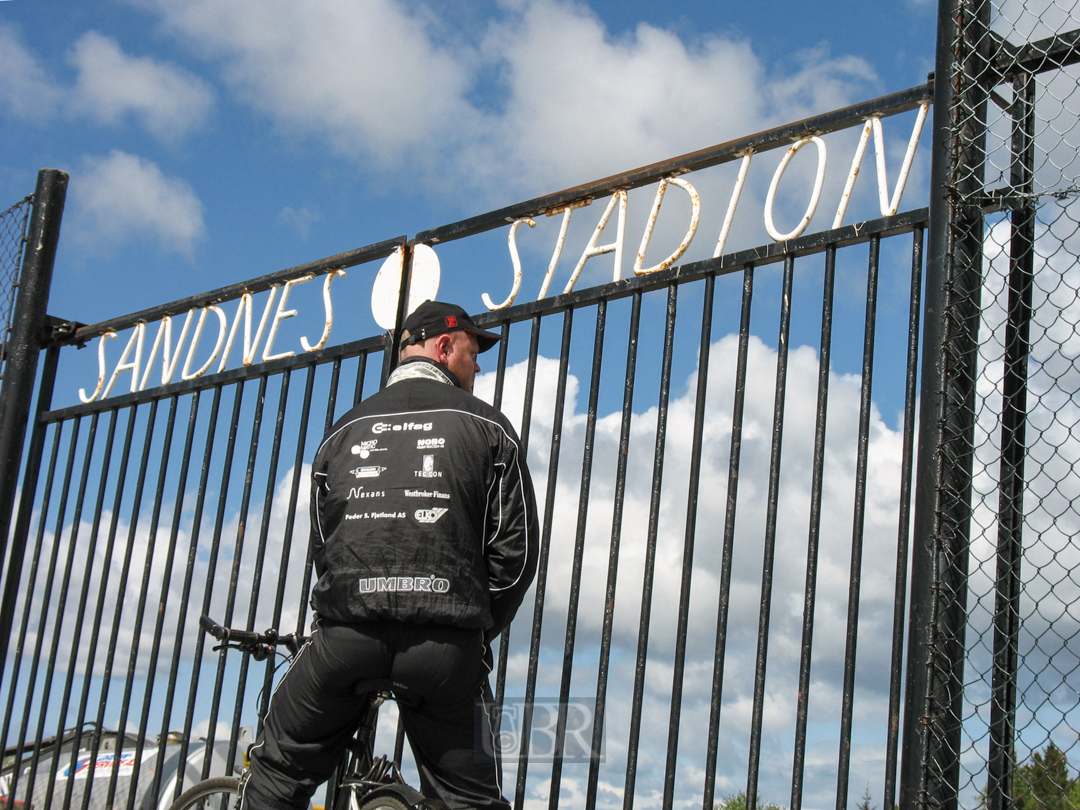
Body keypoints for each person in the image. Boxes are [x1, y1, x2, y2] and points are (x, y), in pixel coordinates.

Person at [240, 300, 539, 810]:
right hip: (445, 646)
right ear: (444, 347)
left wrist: (347, 607)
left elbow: (325, 546)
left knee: (276, 771)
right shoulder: (490, 427)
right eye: (473, 351)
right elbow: (517, 553)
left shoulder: (342, 430)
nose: (479, 365)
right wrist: (471, 626)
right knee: (470, 798)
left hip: (346, 638)